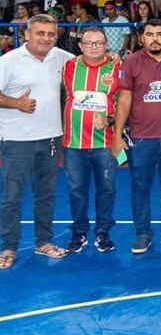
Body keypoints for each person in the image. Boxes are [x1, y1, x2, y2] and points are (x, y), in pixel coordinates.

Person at [113, 19, 161, 254]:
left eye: (159, 34)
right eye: (150, 34)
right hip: (141, 138)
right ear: (142, 38)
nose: (155, 38)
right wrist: (117, 135)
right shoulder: (131, 61)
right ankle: (143, 234)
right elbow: (124, 100)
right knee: (140, 186)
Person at [0, 14, 72, 269]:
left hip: (51, 137)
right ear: (27, 34)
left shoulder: (61, 57)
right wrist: (16, 103)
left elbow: (89, 64)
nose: (46, 38)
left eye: (51, 34)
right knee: (12, 196)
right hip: (17, 139)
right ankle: (8, 247)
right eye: (40, 33)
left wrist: (113, 58)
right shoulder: (9, 61)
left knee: (46, 195)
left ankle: (44, 242)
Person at [61, 27, 121, 254]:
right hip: (74, 143)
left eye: (99, 43)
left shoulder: (117, 67)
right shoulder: (69, 65)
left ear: (106, 45)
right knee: (76, 190)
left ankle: (103, 232)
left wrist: (110, 120)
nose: (94, 47)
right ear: (80, 46)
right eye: (89, 43)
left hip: (104, 142)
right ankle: (79, 232)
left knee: (107, 189)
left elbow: (124, 102)